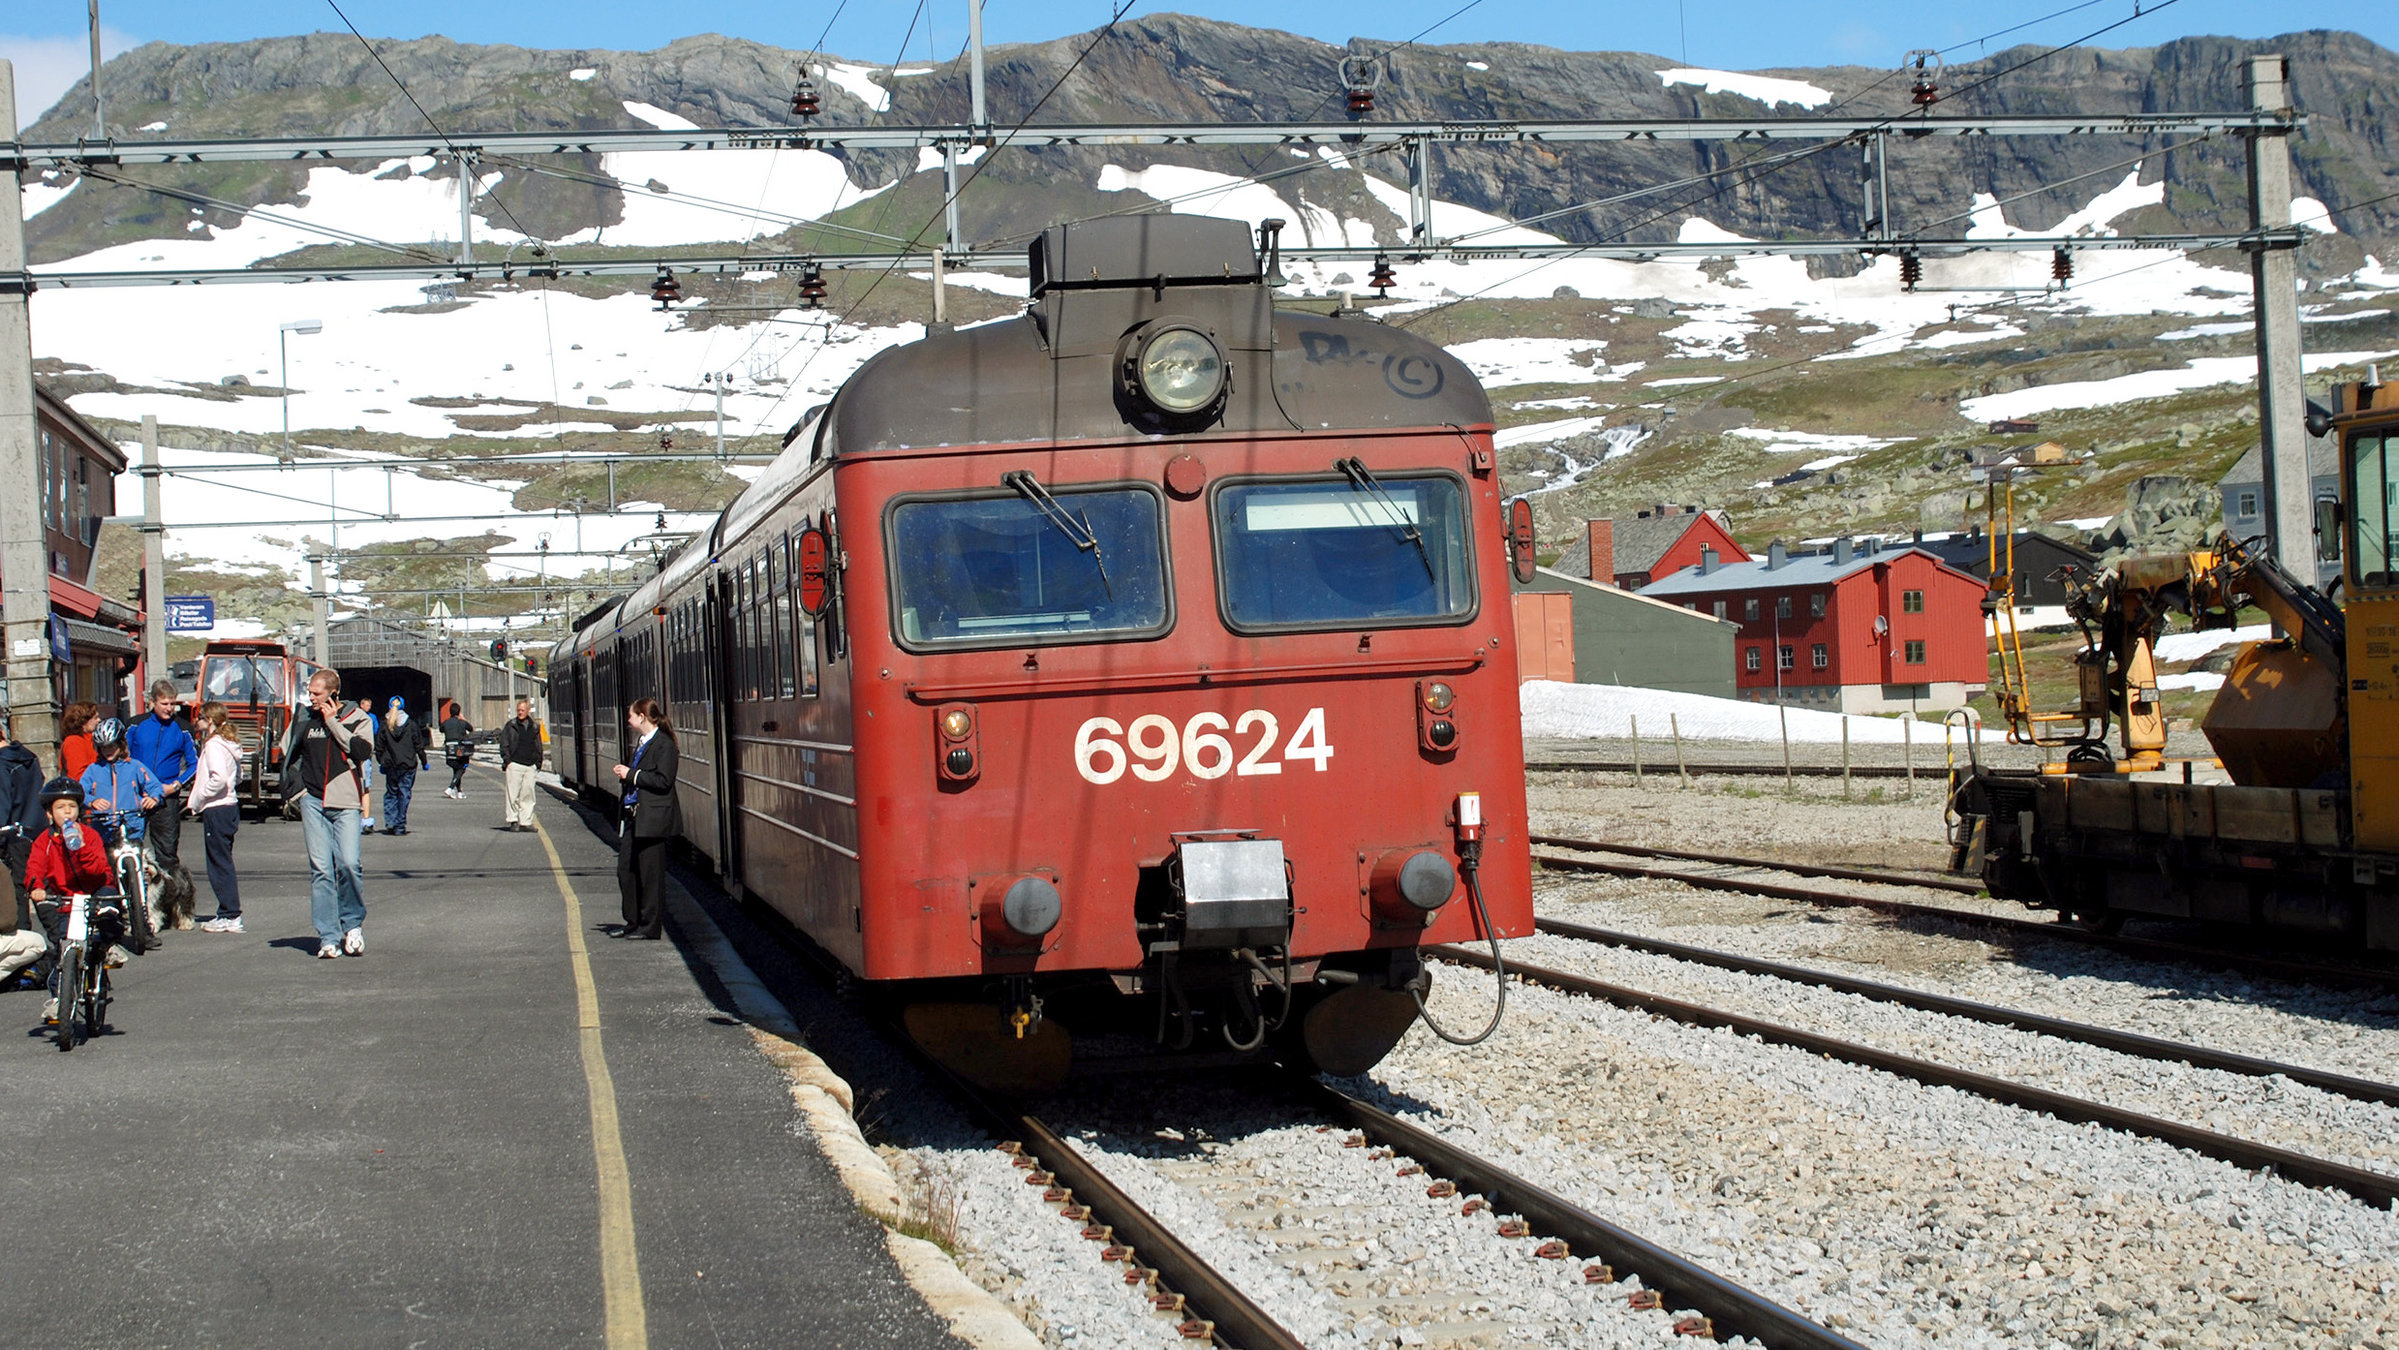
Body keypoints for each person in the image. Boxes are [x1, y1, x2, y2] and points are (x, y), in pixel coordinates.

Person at [288, 669, 376, 959]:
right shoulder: (304, 718)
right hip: (312, 800)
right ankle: (328, 936)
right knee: (321, 870)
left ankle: (352, 925)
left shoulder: (355, 717)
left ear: (333, 693)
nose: (311, 697)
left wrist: (332, 722)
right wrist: (297, 789)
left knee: (349, 864)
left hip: (346, 802)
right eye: (310, 692)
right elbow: (288, 751)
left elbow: (361, 750)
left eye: (316, 693)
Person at [24, 778, 118, 1025]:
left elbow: (99, 871)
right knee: (61, 950)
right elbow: (34, 868)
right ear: (48, 814)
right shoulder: (44, 841)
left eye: (72, 807)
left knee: (107, 909)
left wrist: (81, 847)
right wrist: (37, 888)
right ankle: (59, 999)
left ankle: (107, 949)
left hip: (94, 891)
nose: (67, 812)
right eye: (60, 807)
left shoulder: (89, 835)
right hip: (65, 898)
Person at [611, 698, 679, 940]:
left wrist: (633, 775)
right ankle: (633, 921)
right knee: (626, 870)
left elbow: (663, 780)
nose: (628, 722)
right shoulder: (642, 743)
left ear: (642, 717)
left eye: (630, 716)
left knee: (651, 875)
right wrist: (627, 776)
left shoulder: (664, 745)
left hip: (652, 819)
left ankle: (649, 926)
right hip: (634, 817)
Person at [126, 680, 196, 873]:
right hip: (136, 796)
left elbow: (194, 765)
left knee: (167, 854)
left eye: (173, 704)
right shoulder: (134, 725)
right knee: (130, 849)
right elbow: (124, 759)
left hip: (166, 797)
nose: (169, 708)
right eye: (164, 704)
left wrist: (174, 786)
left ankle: (169, 898)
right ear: (153, 702)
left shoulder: (183, 728)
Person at [188, 702, 246, 933]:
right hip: (229, 806)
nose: (198, 723)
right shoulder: (229, 743)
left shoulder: (213, 745)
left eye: (200, 719)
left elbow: (219, 778)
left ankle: (230, 914)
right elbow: (237, 775)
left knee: (218, 864)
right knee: (224, 860)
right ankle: (228, 912)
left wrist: (199, 797)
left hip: (217, 808)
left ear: (209, 721)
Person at [0, 715, 48, 989]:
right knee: (37, 891)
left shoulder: (1, 765)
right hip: (35, 830)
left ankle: (22, 966)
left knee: (15, 898)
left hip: (11, 836)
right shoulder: (28, 757)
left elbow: (2, 805)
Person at [79, 718, 162, 851]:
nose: (108, 750)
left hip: (132, 826)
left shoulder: (135, 766)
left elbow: (155, 786)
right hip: (104, 828)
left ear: (121, 744)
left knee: (137, 863)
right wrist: (92, 801)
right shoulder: (93, 770)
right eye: (104, 747)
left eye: (112, 745)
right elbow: (80, 792)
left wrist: (153, 798)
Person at [375, 696, 430, 836]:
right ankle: (400, 824)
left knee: (391, 793)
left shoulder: (385, 724)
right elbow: (419, 745)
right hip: (408, 764)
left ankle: (390, 822)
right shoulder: (411, 724)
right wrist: (424, 762)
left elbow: (379, 746)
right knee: (404, 793)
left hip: (390, 764)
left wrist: (381, 761)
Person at [498, 699, 543, 832]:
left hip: (530, 765)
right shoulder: (511, 725)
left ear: (528, 711)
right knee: (513, 794)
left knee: (528, 795)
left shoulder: (534, 727)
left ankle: (526, 821)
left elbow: (538, 745)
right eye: (518, 710)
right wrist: (508, 761)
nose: (520, 713)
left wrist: (537, 762)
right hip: (515, 764)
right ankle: (513, 820)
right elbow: (504, 743)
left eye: (522, 710)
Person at [439, 701, 475, 799]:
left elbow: (441, 729)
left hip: (449, 749)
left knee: (456, 769)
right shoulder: (462, 723)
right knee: (462, 767)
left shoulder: (446, 723)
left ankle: (459, 791)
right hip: (460, 750)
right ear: (459, 712)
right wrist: (463, 719)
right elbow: (471, 728)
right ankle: (450, 788)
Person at [58, 701, 99, 781]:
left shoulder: (89, 741)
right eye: (95, 718)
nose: (99, 720)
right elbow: (78, 776)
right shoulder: (74, 742)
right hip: (82, 791)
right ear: (84, 721)